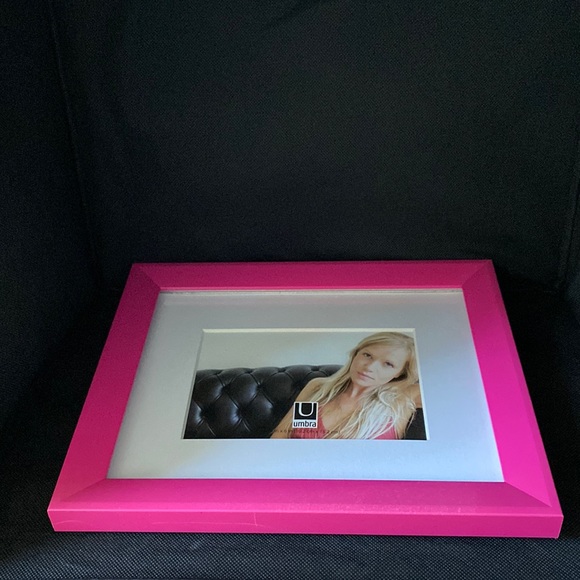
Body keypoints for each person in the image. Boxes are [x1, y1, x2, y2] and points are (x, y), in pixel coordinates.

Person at [270, 332, 421, 440]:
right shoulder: (318, 388)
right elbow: (280, 437)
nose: (369, 367)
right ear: (355, 354)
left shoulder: (403, 398)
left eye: (388, 364)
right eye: (367, 355)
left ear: (400, 373)